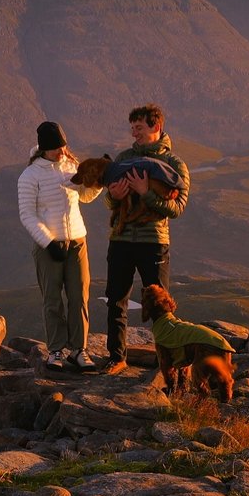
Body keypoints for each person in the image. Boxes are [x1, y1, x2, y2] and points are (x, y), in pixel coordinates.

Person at [102, 103, 190, 375]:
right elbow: (109, 201)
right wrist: (112, 197)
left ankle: (169, 363)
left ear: (156, 127)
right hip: (121, 240)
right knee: (115, 299)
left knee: (160, 305)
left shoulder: (174, 164)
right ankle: (116, 358)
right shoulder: (124, 157)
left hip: (154, 242)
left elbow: (177, 208)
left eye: (139, 128)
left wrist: (145, 191)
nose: (134, 134)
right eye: (132, 128)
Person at [18, 121, 102, 371]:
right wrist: (48, 241)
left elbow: (83, 197)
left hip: (77, 241)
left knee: (79, 297)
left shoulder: (70, 166)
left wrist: (96, 184)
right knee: (53, 299)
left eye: (63, 146)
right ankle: (55, 350)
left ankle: (79, 350)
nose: (61, 151)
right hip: (49, 246)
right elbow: (27, 215)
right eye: (56, 147)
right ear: (44, 148)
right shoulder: (30, 176)